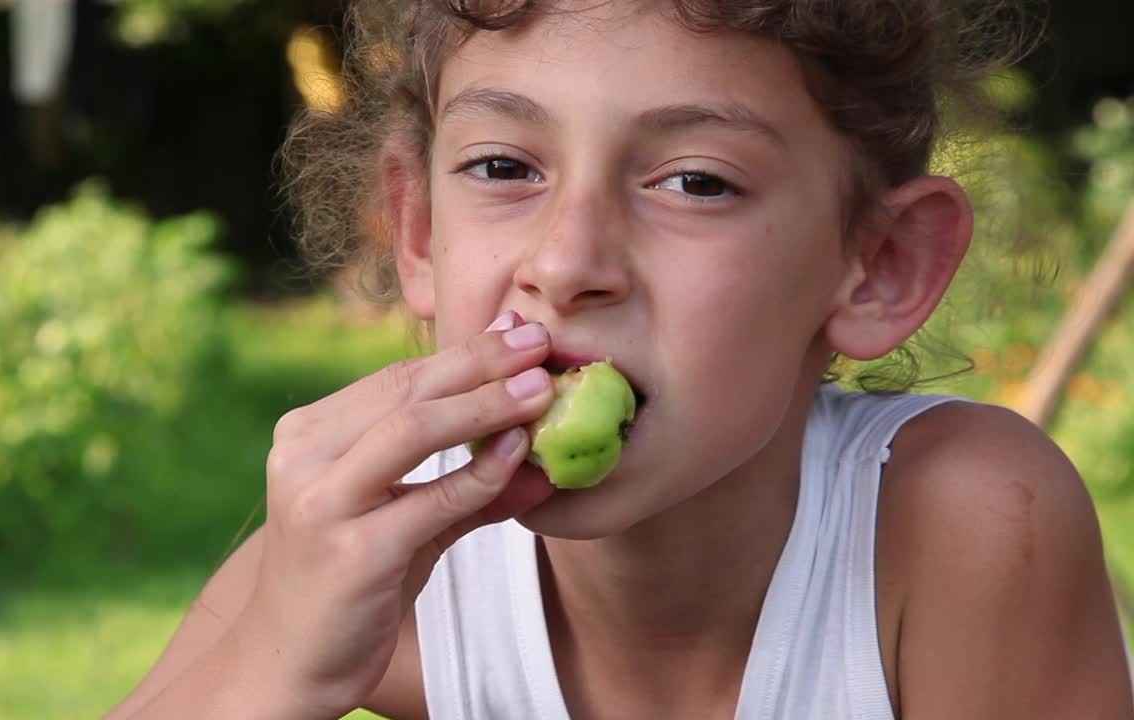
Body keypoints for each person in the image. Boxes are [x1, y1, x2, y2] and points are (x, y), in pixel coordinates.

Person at [107, 1, 1134, 718]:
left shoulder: (955, 526)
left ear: (875, 265)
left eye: (693, 182)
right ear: (416, 233)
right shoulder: (370, 565)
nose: (565, 264)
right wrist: (270, 670)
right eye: (503, 166)